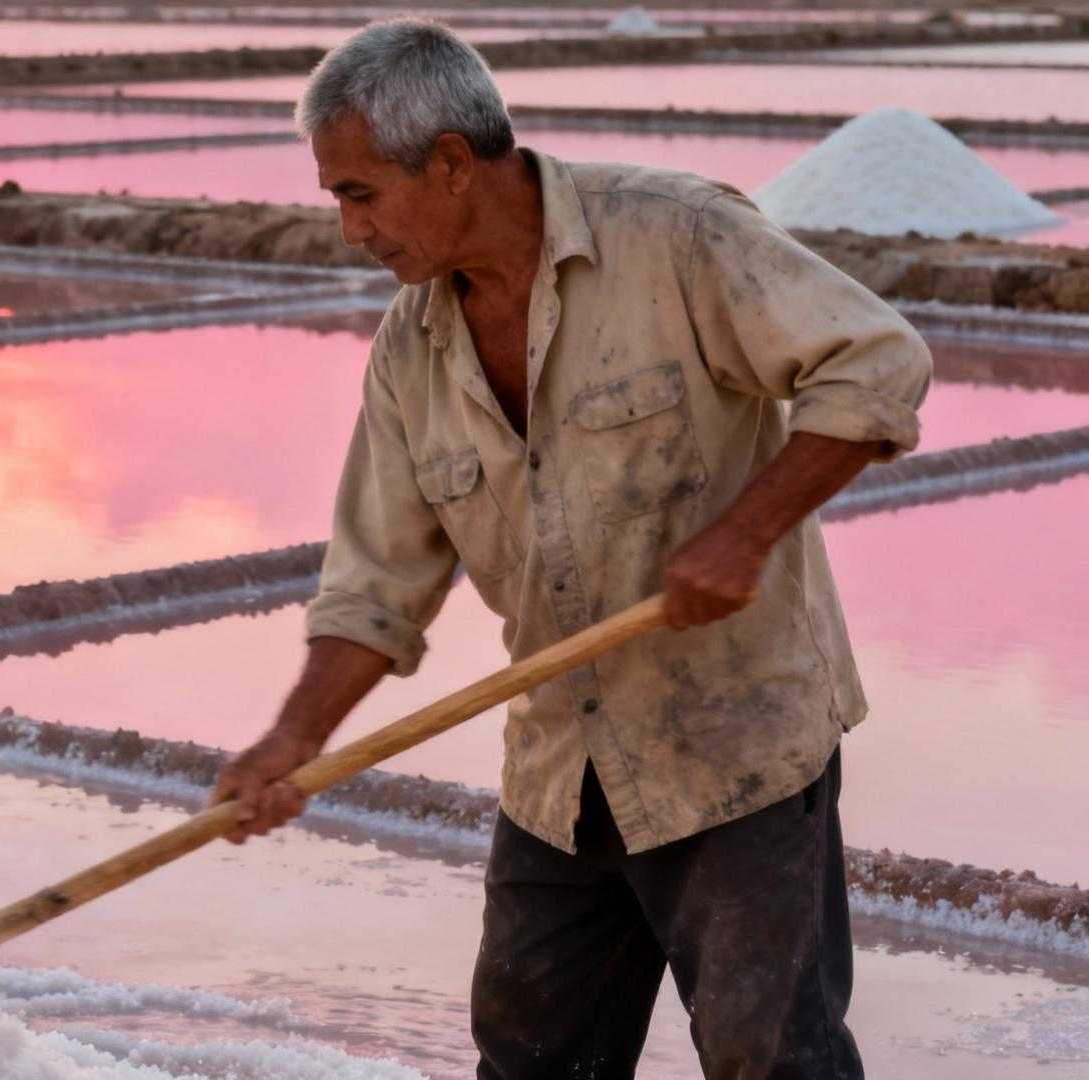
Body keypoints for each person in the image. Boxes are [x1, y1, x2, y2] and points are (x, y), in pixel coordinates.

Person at [208, 19, 932, 1080]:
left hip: (733, 757)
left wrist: (744, 531)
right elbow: (377, 581)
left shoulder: (675, 238)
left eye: (358, 193)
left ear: (451, 163)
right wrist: (292, 739)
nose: (350, 230)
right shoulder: (413, 347)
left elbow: (876, 362)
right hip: (562, 772)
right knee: (531, 1056)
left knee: (767, 1058)